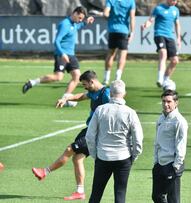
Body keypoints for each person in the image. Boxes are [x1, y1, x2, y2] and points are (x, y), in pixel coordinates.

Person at [31, 70, 110, 200]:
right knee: (77, 158)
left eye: (85, 84)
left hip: (95, 133)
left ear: (92, 81)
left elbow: (113, 111)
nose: (84, 87)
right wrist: (66, 98)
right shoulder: (93, 92)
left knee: (70, 149)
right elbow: (81, 96)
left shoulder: (105, 93)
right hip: (89, 130)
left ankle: (44, 171)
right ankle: (80, 192)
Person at [22, 7, 95, 107]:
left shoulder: (74, 24)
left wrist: (86, 22)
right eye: (80, 18)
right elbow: (57, 41)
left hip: (71, 54)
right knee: (58, 77)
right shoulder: (65, 24)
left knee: (77, 76)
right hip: (62, 54)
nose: (80, 20)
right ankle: (32, 82)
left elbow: (78, 26)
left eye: (82, 18)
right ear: (75, 13)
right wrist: (62, 54)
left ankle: (65, 99)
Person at [86, 80, 143, 203]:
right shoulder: (130, 112)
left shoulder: (100, 110)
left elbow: (90, 136)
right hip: (123, 157)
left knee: (96, 194)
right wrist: (133, 156)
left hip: (103, 156)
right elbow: (138, 139)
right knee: (120, 194)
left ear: (110, 93)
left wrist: (95, 154)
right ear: (124, 93)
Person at [152, 90, 188, 203]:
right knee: (157, 196)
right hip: (160, 164)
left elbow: (181, 144)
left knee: (173, 199)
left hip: (172, 164)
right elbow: (157, 142)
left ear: (176, 103)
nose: (165, 104)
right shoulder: (160, 119)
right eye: (163, 101)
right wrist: (156, 161)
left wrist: (177, 165)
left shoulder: (179, 121)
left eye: (169, 101)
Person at [141, 0, 181, 88]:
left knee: (175, 60)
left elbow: (177, 24)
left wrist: (178, 38)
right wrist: (145, 25)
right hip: (159, 34)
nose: (175, 2)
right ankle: (159, 79)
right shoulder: (159, 8)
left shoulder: (176, 10)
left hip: (170, 36)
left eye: (176, 0)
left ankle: (166, 78)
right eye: (173, 0)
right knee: (163, 54)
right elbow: (150, 20)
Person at [102, 0, 136, 85]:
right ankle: (118, 78)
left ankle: (106, 78)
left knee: (111, 54)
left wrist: (110, 17)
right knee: (122, 55)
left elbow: (105, 14)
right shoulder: (131, 2)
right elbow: (132, 17)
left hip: (113, 30)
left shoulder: (111, 0)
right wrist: (132, 32)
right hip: (123, 31)